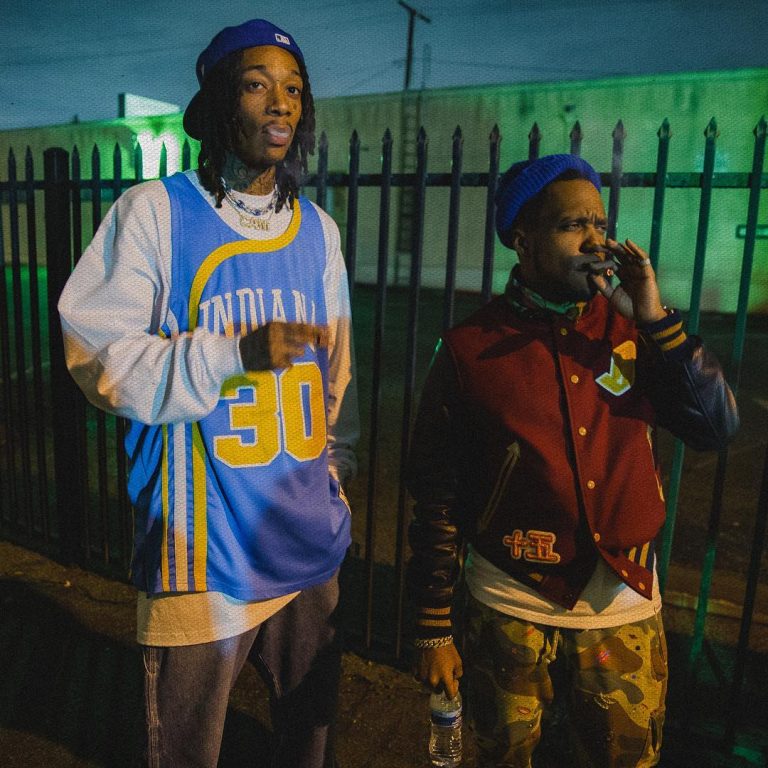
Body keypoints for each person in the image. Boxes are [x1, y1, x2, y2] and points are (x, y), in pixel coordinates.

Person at [58, 19, 358, 768]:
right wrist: (232, 355)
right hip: (203, 560)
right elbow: (98, 355)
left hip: (306, 546)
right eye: (257, 85)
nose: (280, 103)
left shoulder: (318, 231)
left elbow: (336, 376)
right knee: (189, 753)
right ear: (220, 102)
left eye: (294, 89)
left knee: (308, 744)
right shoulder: (155, 213)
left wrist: (332, 481)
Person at [406, 154, 739, 767]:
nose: (596, 240)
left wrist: (655, 318)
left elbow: (715, 427)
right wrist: (433, 626)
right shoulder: (468, 348)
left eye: (600, 223)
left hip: (622, 611)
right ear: (522, 239)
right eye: (572, 225)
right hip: (509, 606)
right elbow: (437, 494)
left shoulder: (635, 331)